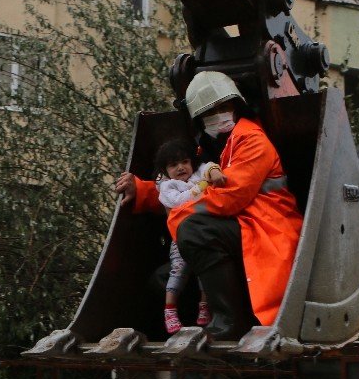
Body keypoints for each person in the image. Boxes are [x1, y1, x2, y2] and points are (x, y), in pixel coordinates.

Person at [115, 71, 303, 339]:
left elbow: (228, 197)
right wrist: (143, 191)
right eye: (210, 112)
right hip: (242, 228)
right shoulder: (214, 148)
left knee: (194, 231)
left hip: (266, 229)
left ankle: (229, 325)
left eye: (223, 107)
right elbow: (189, 189)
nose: (218, 115)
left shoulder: (252, 141)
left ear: (236, 106)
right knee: (162, 279)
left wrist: (179, 218)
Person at [153, 138, 224, 334]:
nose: (181, 167)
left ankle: (204, 305)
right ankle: (170, 310)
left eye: (185, 162)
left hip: (201, 234)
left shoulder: (196, 175)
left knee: (205, 268)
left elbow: (207, 166)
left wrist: (213, 171)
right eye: (173, 165)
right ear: (165, 171)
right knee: (179, 271)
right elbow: (180, 202)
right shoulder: (168, 187)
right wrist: (202, 186)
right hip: (180, 238)